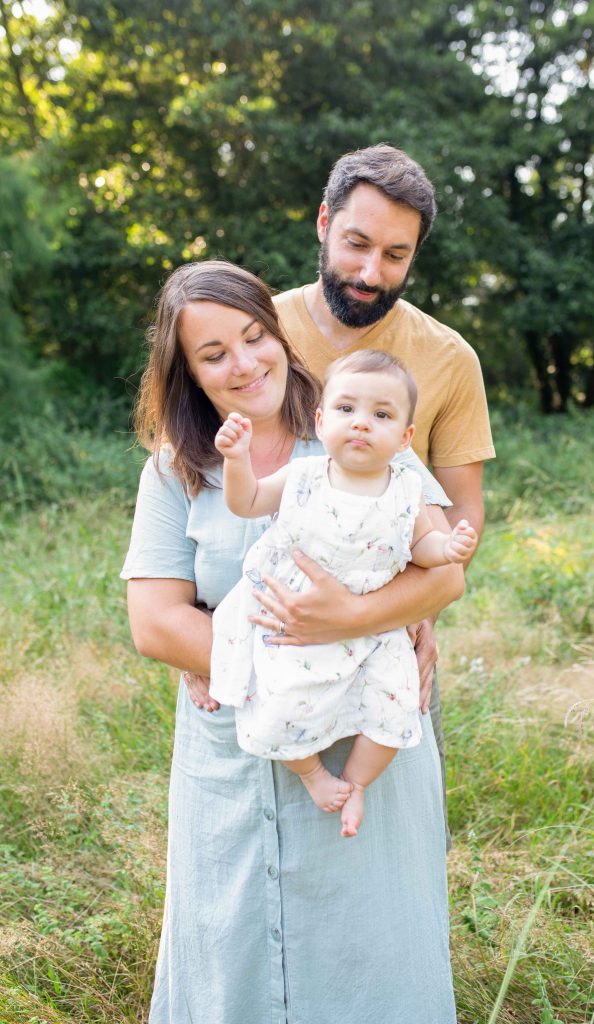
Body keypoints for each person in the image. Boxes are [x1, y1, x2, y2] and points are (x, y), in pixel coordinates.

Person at [121, 258, 462, 1023]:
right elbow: (155, 622)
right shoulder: (176, 472)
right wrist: (266, 657)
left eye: (254, 337)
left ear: (278, 334)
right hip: (234, 743)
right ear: (188, 373)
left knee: (370, 954)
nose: (244, 364)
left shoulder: (361, 424)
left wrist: (346, 623)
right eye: (214, 354)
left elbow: (441, 578)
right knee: (235, 955)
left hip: (363, 737)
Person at [272, 143, 496, 833]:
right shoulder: (256, 334)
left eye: (395, 255)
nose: (371, 273)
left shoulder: (449, 358)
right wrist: (203, 638)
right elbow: (195, 483)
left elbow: (462, 512)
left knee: (392, 849)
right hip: (270, 638)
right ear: (322, 223)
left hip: (389, 643)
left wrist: (412, 610)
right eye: (356, 244)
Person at [211, 349, 478, 837]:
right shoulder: (303, 476)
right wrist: (236, 460)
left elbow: (421, 546)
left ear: (405, 438)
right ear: (321, 420)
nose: (361, 423)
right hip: (296, 616)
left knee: (397, 701)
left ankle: (356, 783)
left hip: (374, 623)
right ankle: (312, 773)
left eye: (381, 415)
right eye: (346, 409)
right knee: (282, 700)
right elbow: (246, 501)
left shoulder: (406, 490)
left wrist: (447, 548)